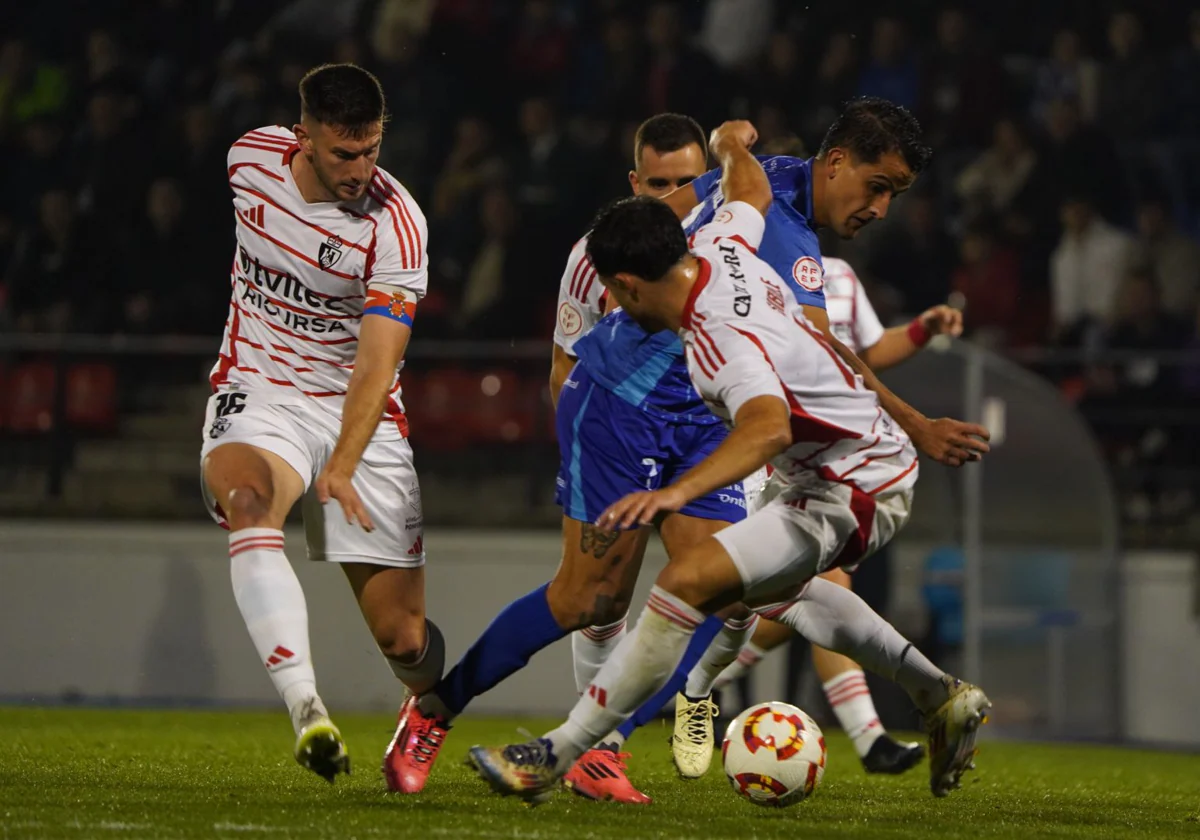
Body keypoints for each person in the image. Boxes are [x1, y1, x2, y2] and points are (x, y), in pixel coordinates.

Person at [468, 121, 991, 803]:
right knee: (774, 592)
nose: (620, 314)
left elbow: (767, 428)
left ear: (632, 287)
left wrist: (672, 494)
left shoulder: (719, 342)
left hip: (853, 480)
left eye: (620, 300)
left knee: (686, 581)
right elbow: (748, 189)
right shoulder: (723, 241)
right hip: (845, 456)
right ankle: (939, 695)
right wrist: (729, 143)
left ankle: (557, 754)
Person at [384, 113, 742, 803]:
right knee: (589, 600)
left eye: (687, 183)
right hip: (621, 425)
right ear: (634, 182)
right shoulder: (596, 254)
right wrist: (586, 458)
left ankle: (601, 746)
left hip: (704, 427)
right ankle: (433, 711)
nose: (674, 199)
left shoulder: (734, 231)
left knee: (725, 595)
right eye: (658, 184)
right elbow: (562, 364)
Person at [200, 63, 441, 783]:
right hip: (259, 390)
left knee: (403, 639)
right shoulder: (249, 160)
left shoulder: (397, 226)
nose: (361, 169)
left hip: (357, 413)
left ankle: (426, 703)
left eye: (372, 151)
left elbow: (376, 365)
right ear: (302, 138)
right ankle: (307, 707)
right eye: (344, 154)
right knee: (248, 503)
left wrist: (341, 460)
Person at [700, 256, 963, 770]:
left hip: (835, 460)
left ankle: (695, 682)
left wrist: (919, 329)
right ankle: (874, 736)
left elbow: (865, 351)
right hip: (768, 451)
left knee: (785, 598)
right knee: (791, 593)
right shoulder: (730, 263)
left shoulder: (836, 273)